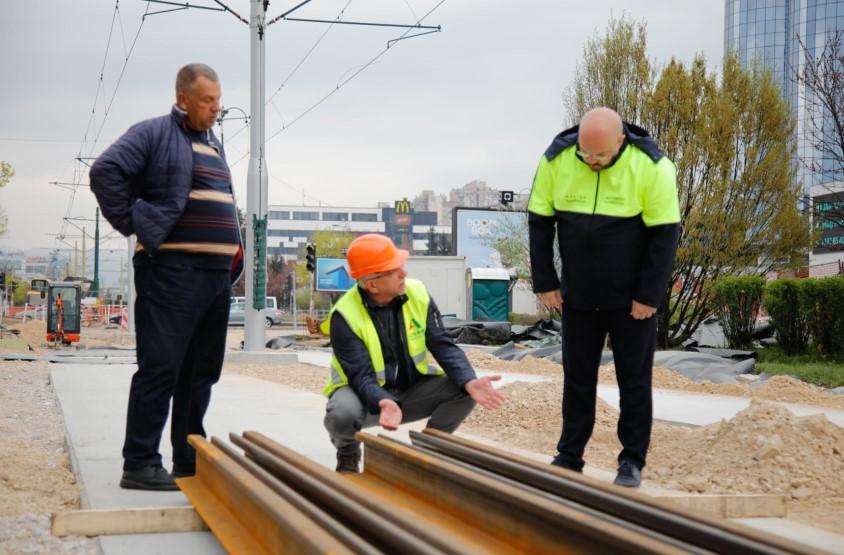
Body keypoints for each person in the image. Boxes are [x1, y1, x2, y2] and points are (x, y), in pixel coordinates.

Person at [90, 63, 243, 491]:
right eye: (208, 100)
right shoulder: (154, 133)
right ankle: (139, 463)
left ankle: (188, 459)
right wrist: (136, 223)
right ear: (183, 99)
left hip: (214, 277)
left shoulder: (213, 143)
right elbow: (105, 171)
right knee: (161, 367)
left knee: (201, 372)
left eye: (218, 99)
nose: (217, 108)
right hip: (172, 272)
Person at [527, 107, 680, 487]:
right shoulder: (556, 159)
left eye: (600, 156)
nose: (591, 162)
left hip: (632, 301)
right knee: (577, 379)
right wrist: (545, 282)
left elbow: (665, 237)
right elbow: (539, 223)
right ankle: (569, 454)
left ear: (620, 142)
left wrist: (649, 295)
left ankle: (631, 461)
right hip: (577, 295)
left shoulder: (653, 166)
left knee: (634, 381)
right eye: (586, 154)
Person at [321, 234, 505, 473]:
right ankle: (347, 452)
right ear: (372, 284)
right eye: (394, 270)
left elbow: (442, 344)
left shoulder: (417, 294)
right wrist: (384, 401)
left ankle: (428, 452)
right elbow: (360, 376)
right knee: (341, 415)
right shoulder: (344, 316)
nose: (403, 274)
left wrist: (469, 380)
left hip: (410, 388)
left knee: (465, 388)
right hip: (364, 395)